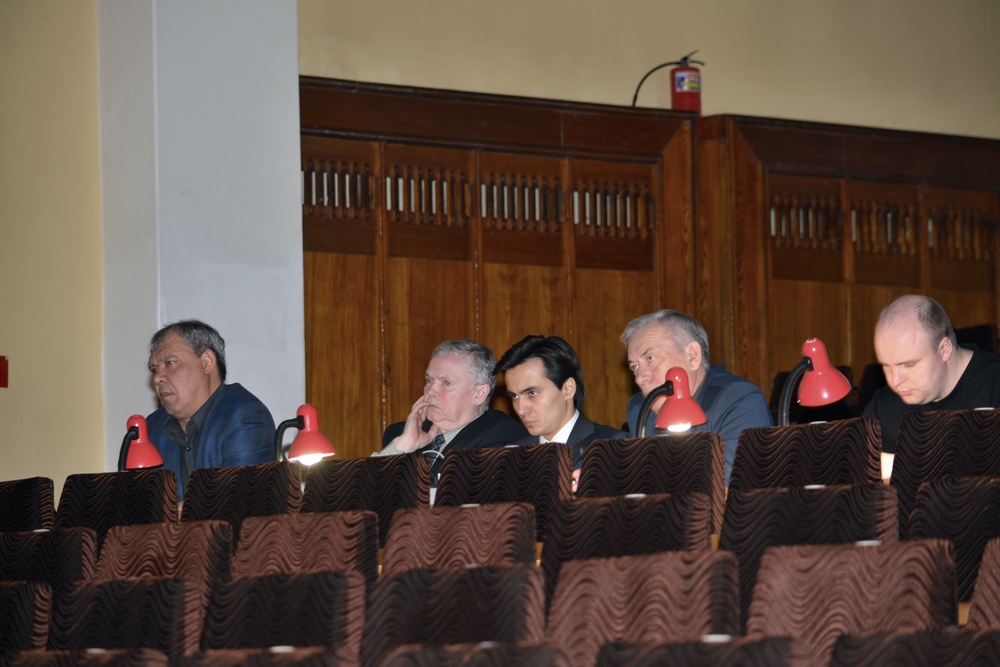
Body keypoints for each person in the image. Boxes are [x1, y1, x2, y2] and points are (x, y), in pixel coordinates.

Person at [622, 310, 773, 485]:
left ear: (692, 356)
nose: (640, 378)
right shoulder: (640, 411)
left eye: (650, 358)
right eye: (634, 367)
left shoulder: (737, 399)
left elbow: (733, 485)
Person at [145, 320, 275, 500]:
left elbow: (236, 502)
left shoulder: (244, 415)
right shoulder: (150, 429)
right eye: (154, 369)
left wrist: (168, 511)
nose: (157, 378)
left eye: (170, 363)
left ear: (207, 362)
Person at [373, 338, 527, 484]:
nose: (430, 391)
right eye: (429, 380)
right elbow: (365, 493)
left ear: (479, 394)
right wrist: (402, 446)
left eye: (446, 383)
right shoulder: (399, 434)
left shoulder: (501, 434)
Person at [864, 294, 1000, 453]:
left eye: (908, 365)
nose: (894, 380)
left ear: (944, 349)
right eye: (886, 366)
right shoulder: (884, 405)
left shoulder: (994, 385)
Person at [496, 335, 626, 488]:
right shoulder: (510, 456)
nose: (520, 409)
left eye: (532, 393)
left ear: (568, 389)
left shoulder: (613, 447)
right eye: (514, 396)